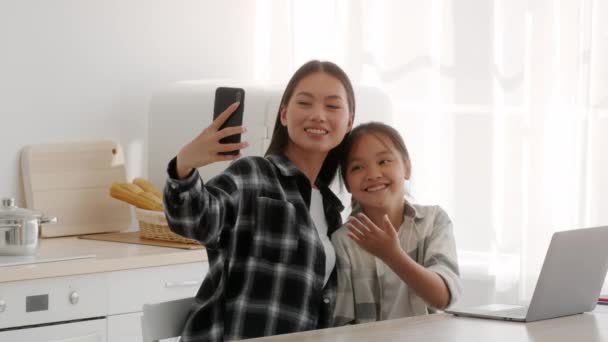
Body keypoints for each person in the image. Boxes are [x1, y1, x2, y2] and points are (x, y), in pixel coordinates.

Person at [163, 60, 355, 341]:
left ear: (348, 123)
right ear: (285, 114)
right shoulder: (254, 175)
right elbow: (196, 220)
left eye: (332, 106)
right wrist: (185, 165)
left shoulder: (332, 210)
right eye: (305, 103)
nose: (318, 115)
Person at [332, 122, 461, 326]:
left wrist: (392, 255)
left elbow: (444, 297)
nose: (373, 174)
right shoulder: (343, 241)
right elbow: (341, 324)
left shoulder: (434, 220)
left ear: (407, 168)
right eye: (357, 167)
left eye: (384, 161)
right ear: (347, 183)